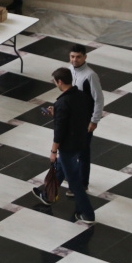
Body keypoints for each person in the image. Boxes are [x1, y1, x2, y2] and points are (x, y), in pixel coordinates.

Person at [33, 68, 94, 223]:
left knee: (74, 182)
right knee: (62, 166)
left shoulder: (62, 102)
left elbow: (59, 131)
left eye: (55, 81)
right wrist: (58, 112)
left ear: (59, 81)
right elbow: (79, 116)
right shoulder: (81, 96)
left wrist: (53, 150)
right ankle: (48, 195)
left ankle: (88, 214)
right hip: (81, 140)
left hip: (68, 146)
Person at [56, 44, 104, 196]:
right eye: (72, 56)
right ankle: (66, 177)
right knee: (68, 151)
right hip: (72, 120)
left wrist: (94, 120)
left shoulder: (90, 75)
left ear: (85, 57)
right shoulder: (69, 71)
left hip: (85, 122)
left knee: (82, 153)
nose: (74, 60)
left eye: (78, 57)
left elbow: (99, 100)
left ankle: (82, 184)